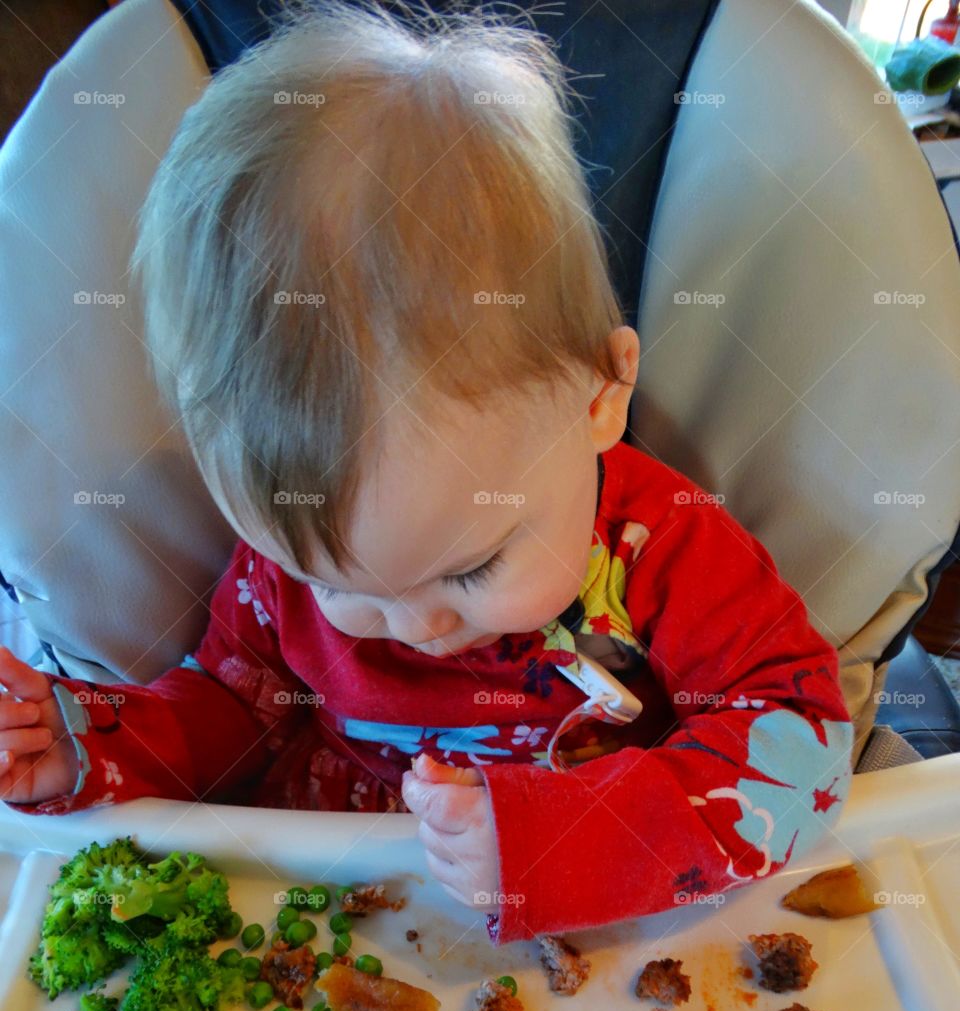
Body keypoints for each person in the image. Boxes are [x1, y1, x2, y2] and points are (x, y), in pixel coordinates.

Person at [0, 0, 853, 945]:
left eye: (472, 567)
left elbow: (803, 735)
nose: (419, 628)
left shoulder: (663, 546)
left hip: (600, 948)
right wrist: (89, 741)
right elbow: (234, 710)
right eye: (342, 587)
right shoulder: (288, 553)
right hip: (319, 928)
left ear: (601, 395)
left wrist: (565, 839)